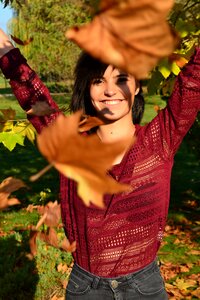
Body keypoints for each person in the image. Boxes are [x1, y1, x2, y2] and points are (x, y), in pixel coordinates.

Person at [0, 28, 200, 300]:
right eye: (98, 81)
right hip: (87, 290)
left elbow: (192, 84)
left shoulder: (160, 140)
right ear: (88, 88)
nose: (109, 91)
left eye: (121, 79)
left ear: (138, 85)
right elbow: (36, 101)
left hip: (145, 289)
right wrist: (8, 55)